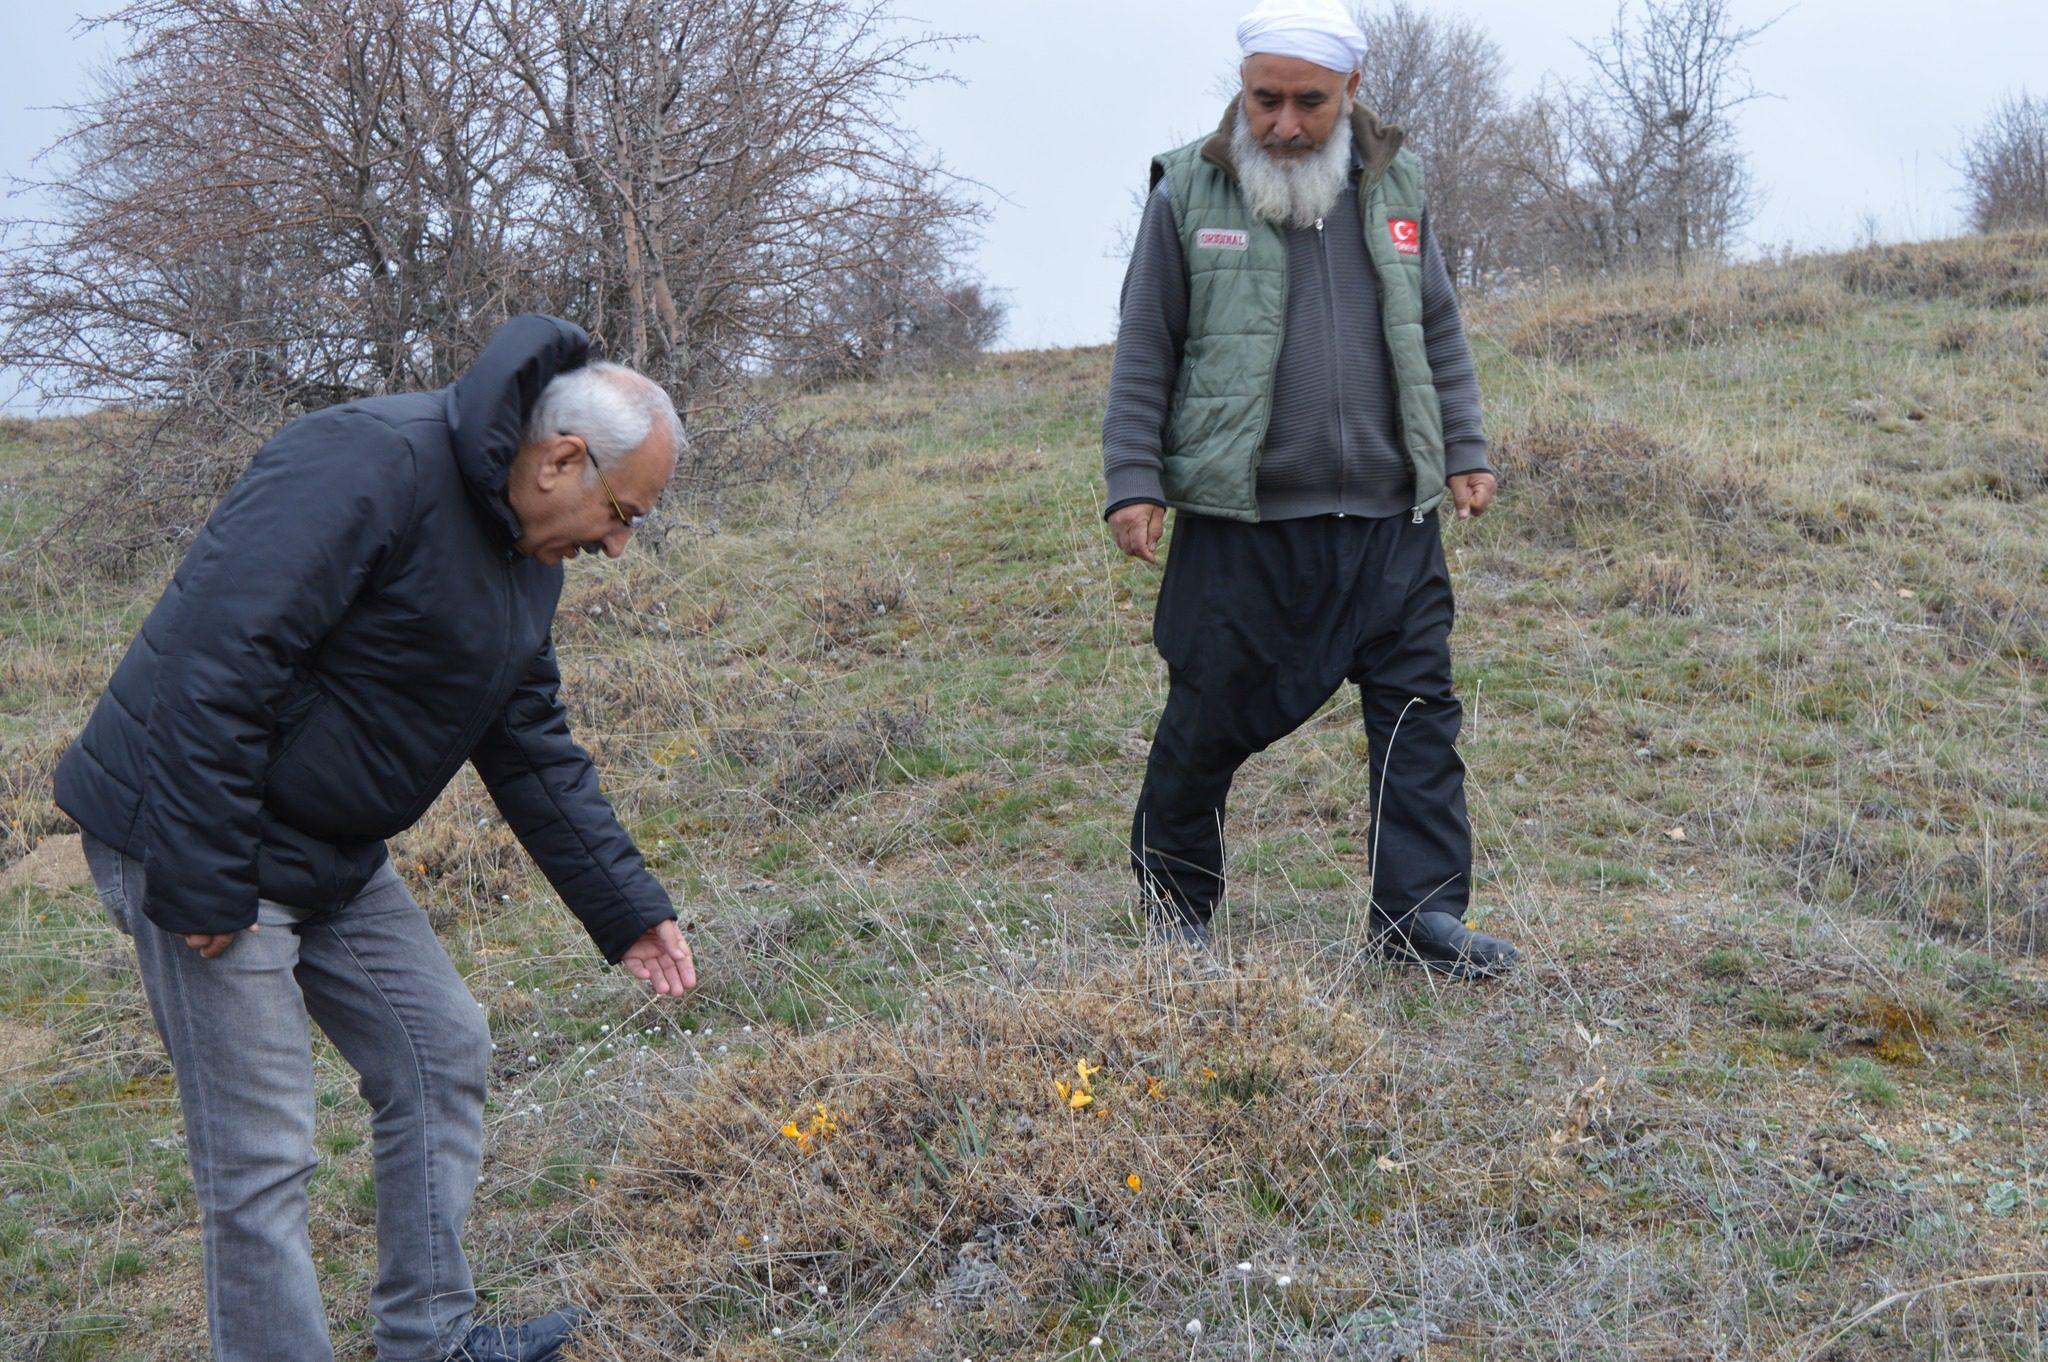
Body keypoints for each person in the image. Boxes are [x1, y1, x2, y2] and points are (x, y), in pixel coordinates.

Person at [54, 314, 697, 1361]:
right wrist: (207, 877)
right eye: (619, 513)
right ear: (562, 459)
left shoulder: (523, 554)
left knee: (440, 1052)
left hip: (329, 853)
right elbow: (217, 659)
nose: (618, 544)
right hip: (196, 831)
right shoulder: (366, 460)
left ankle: (429, 1338)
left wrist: (625, 908)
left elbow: (527, 740)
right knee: (262, 1155)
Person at [1102, 0, 1519, 978]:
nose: (1282, 125)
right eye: (1264, 100)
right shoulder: (1188, 192)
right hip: (1244, 525)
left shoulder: (1396, 185)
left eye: (1307, 103)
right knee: (1203, 723)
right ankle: (1176, 913)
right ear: (1241, 89)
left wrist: (1463, 446)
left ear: (1350, 92)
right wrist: (1131, 480)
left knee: (1418, 721)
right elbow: (1142, 349)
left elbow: (1436, 330)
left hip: (1391, 518)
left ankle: (1416, 922)